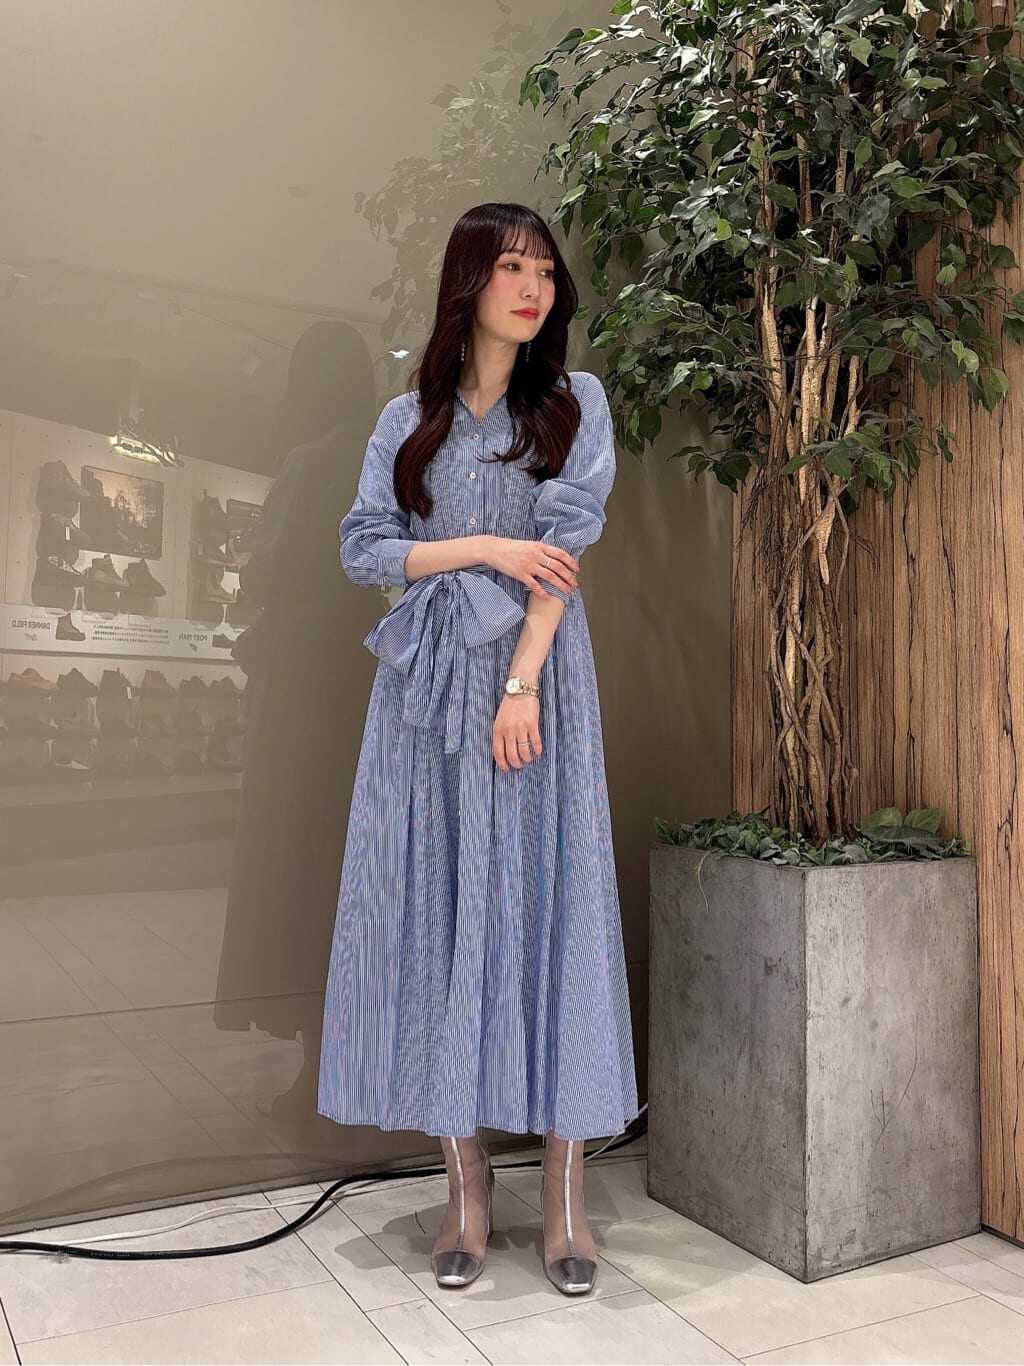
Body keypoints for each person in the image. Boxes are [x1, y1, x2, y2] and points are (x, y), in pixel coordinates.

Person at [316, 202, 639, 1297]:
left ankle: (564, 1196)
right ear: (469, 281)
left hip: (533, 686)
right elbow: (366, 547)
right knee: (435, 913)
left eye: (544, 269)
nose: (533, 286)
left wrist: (521, 682)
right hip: (424, 695)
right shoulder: (407, 419)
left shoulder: (576, 404)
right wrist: (485, 545)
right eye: (510, 266)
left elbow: (564, 553)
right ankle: (465, 1187)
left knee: (554, 911)